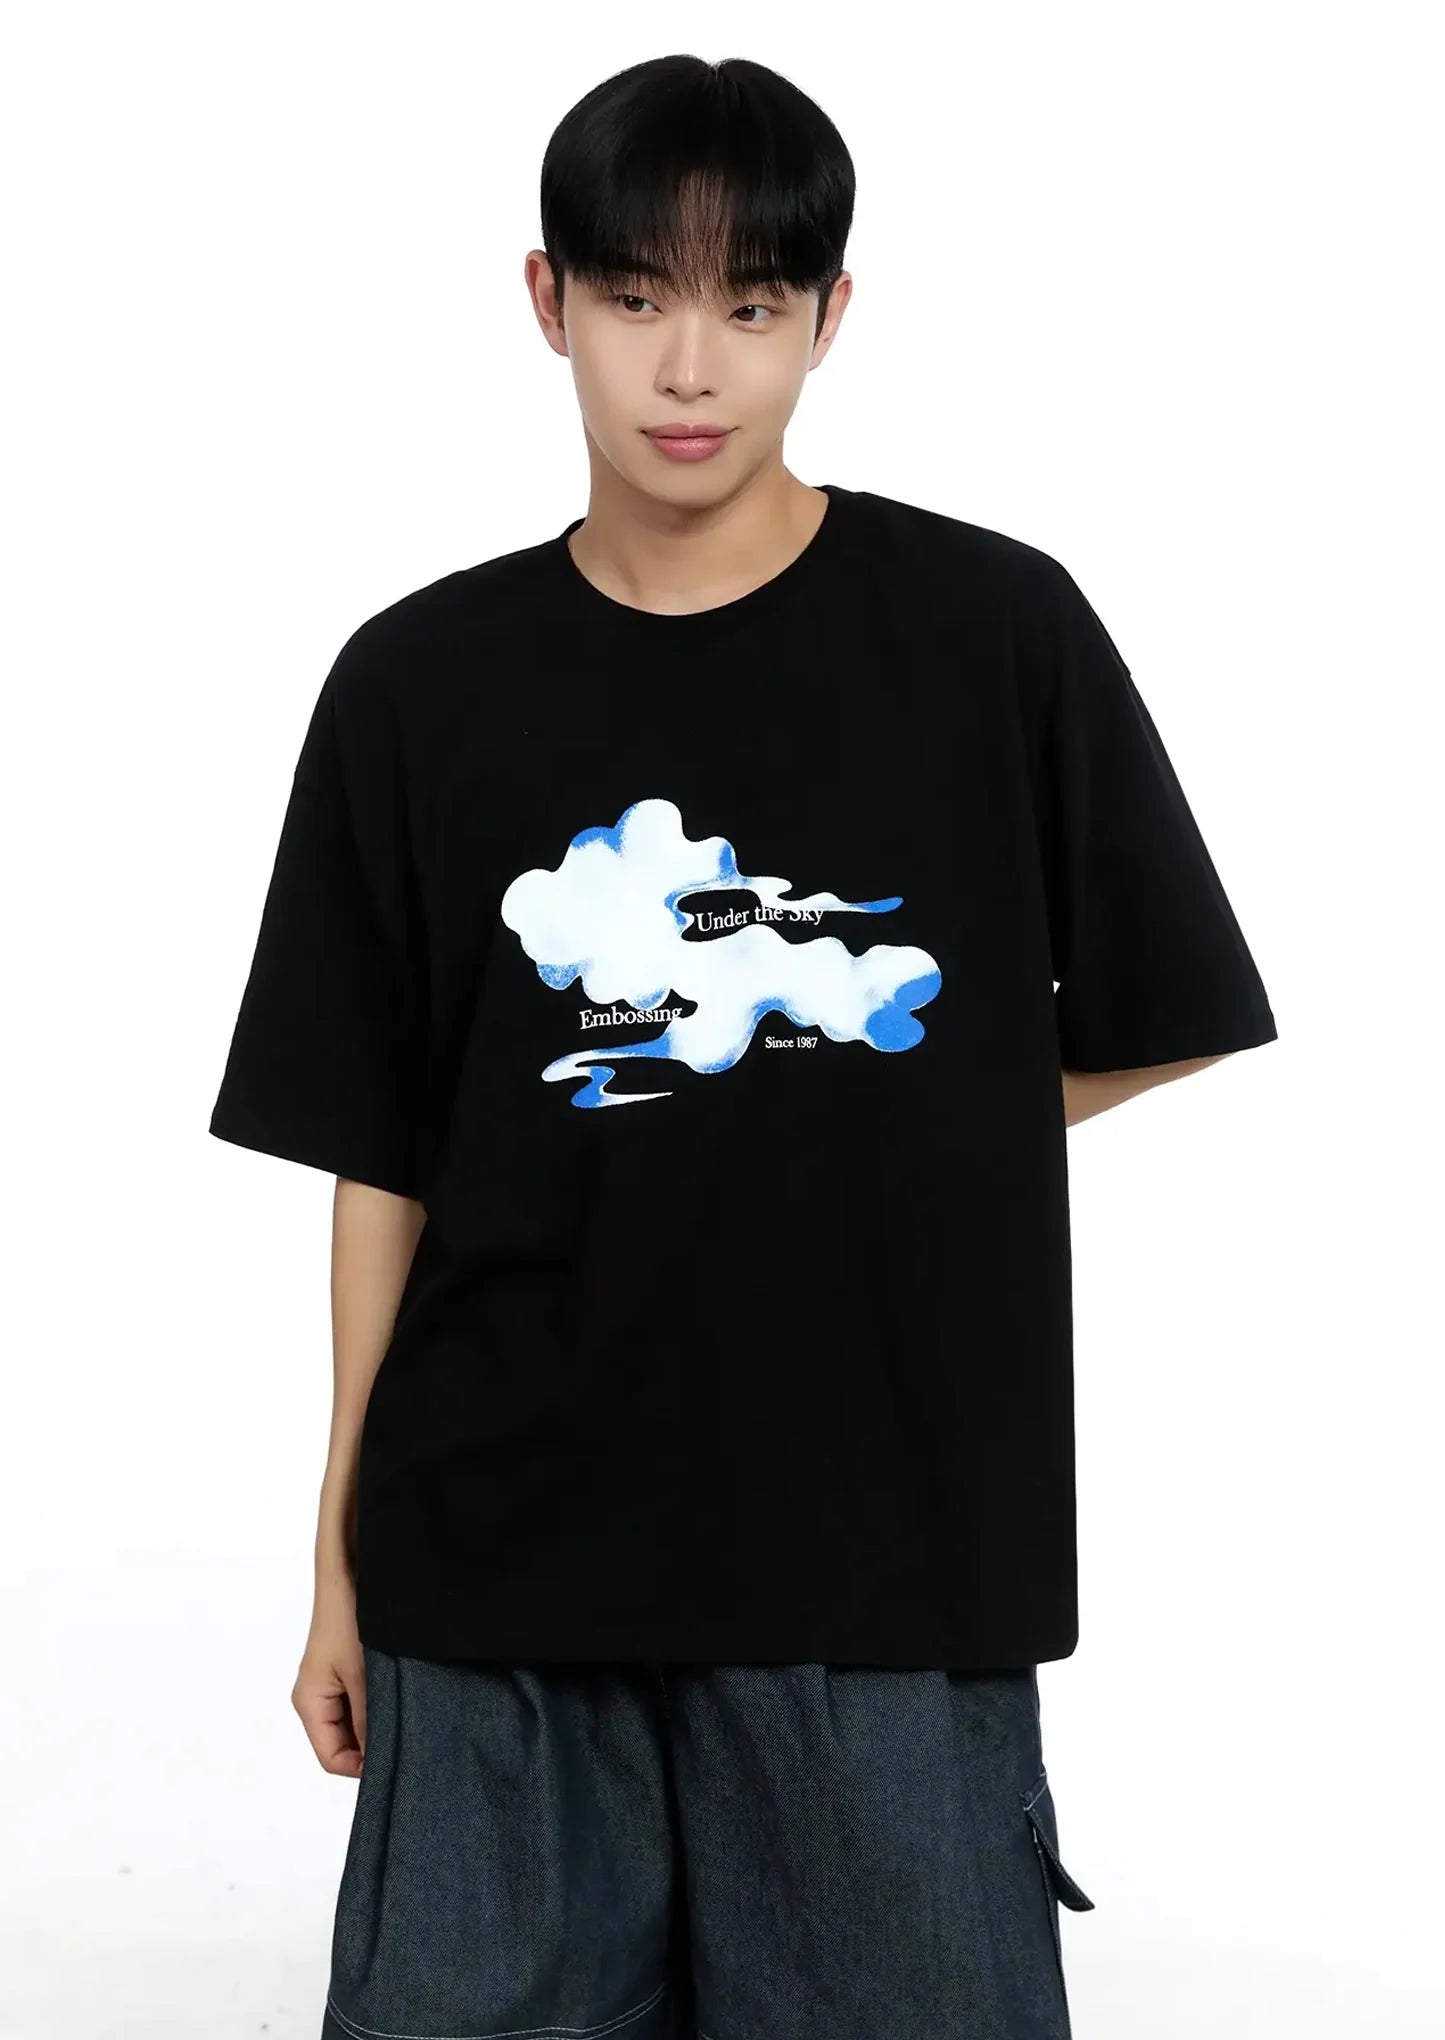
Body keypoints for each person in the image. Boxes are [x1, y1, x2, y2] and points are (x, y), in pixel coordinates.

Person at [208, 51, 1277, 2040]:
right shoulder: (419, 683)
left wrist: (893, 1107)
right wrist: (338, 1551)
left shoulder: (991, 633)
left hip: (883, 1571)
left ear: (829, 317)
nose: (689, 367)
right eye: (636, 299)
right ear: (548, 301)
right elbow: (384, 1153)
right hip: (496, 1582)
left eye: (752, 305)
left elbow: (1167, 1010)